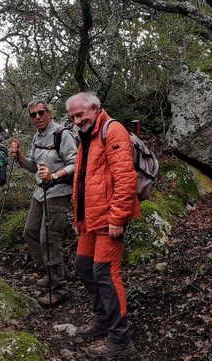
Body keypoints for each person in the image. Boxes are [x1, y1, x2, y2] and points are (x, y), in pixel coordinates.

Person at [65, 92, 140, 358]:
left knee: (106, 274)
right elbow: (84, 180)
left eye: (80, 114)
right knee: (84, 267)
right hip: (91, 220)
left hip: (109, 219)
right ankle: (103, 320)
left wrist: (118, 218)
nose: (77, 120)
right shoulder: (86, 135)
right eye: (73, 116)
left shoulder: (113, 130)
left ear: (94, 108)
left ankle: (121, 340)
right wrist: (79, 219)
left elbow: (125, 178)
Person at [9, 100, 77, 308]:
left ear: (49, 113)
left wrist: (55, 176)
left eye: (41, 113)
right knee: (30, 232)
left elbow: (76, 163)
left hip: (58, 192)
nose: (37, 117)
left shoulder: (62, 134)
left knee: (49, 238)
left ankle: (60, 288)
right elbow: (33, 166)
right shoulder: (38, 137)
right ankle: (54, 271)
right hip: (40, 193)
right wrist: (20, 156)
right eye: (33, 115)